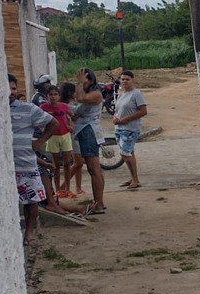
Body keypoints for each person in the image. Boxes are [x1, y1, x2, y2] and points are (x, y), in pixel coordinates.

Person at [8, 74, 59, 244]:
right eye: (7, 88)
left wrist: (39, 142)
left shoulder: (28, 108)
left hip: (26, 165)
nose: (10, 92)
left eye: (13, 88)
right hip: (6, 170)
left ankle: (29, 233)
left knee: (32, 202)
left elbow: (53, 123)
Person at [72, 68, 106, 214]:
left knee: (94, 169)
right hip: (85, 130)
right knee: (94, 169)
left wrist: (79, 83)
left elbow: (79, 98)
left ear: (91, 80)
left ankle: (98, 204)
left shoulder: (96, 94)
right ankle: (99, 202)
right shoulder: (89, 93)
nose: (80, 83)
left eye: (83, 80)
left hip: (89, 131)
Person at [112, 70, 147, 189]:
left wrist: (126, 119)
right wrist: (115, 118)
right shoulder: (121, 95)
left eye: (127, 79)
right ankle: (133, 177)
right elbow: (117, 111)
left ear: (132, 80)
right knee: (129, 153)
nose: (125, 81)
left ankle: (135, 179)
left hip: (130, 128)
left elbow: (143, 111)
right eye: (123, 79)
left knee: (125, 153)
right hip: (119, 128)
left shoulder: (136, 94)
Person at [40, 84, 74, 192]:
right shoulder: (43, 107)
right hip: (52, 136)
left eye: (55, 94)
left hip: (65, 135)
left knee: (67, 163)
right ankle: (58, 189)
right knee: (56, 164)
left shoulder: (64, 106)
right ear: (46, 96)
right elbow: (39, 121)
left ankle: (68, 188)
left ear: (59, 96)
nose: (53, 97)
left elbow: (71, 116)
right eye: (50, 95)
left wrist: (70, 126)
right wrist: (44, 130)